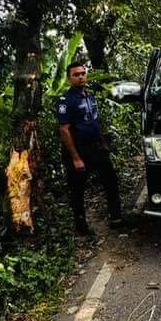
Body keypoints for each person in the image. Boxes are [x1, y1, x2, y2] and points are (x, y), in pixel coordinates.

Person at [57, 61, 122, 236]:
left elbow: (94, 123)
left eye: (82, 73)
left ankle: (116, 217)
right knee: (77, 189)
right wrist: (76, 158)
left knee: (110, 180)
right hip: (78, 150)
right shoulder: (66, 100)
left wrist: (103, 144)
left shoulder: (90, 97)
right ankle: (81, 226)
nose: (80, 77)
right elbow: (64, 130)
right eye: (76, 74)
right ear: (69, 78)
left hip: (96, 148)